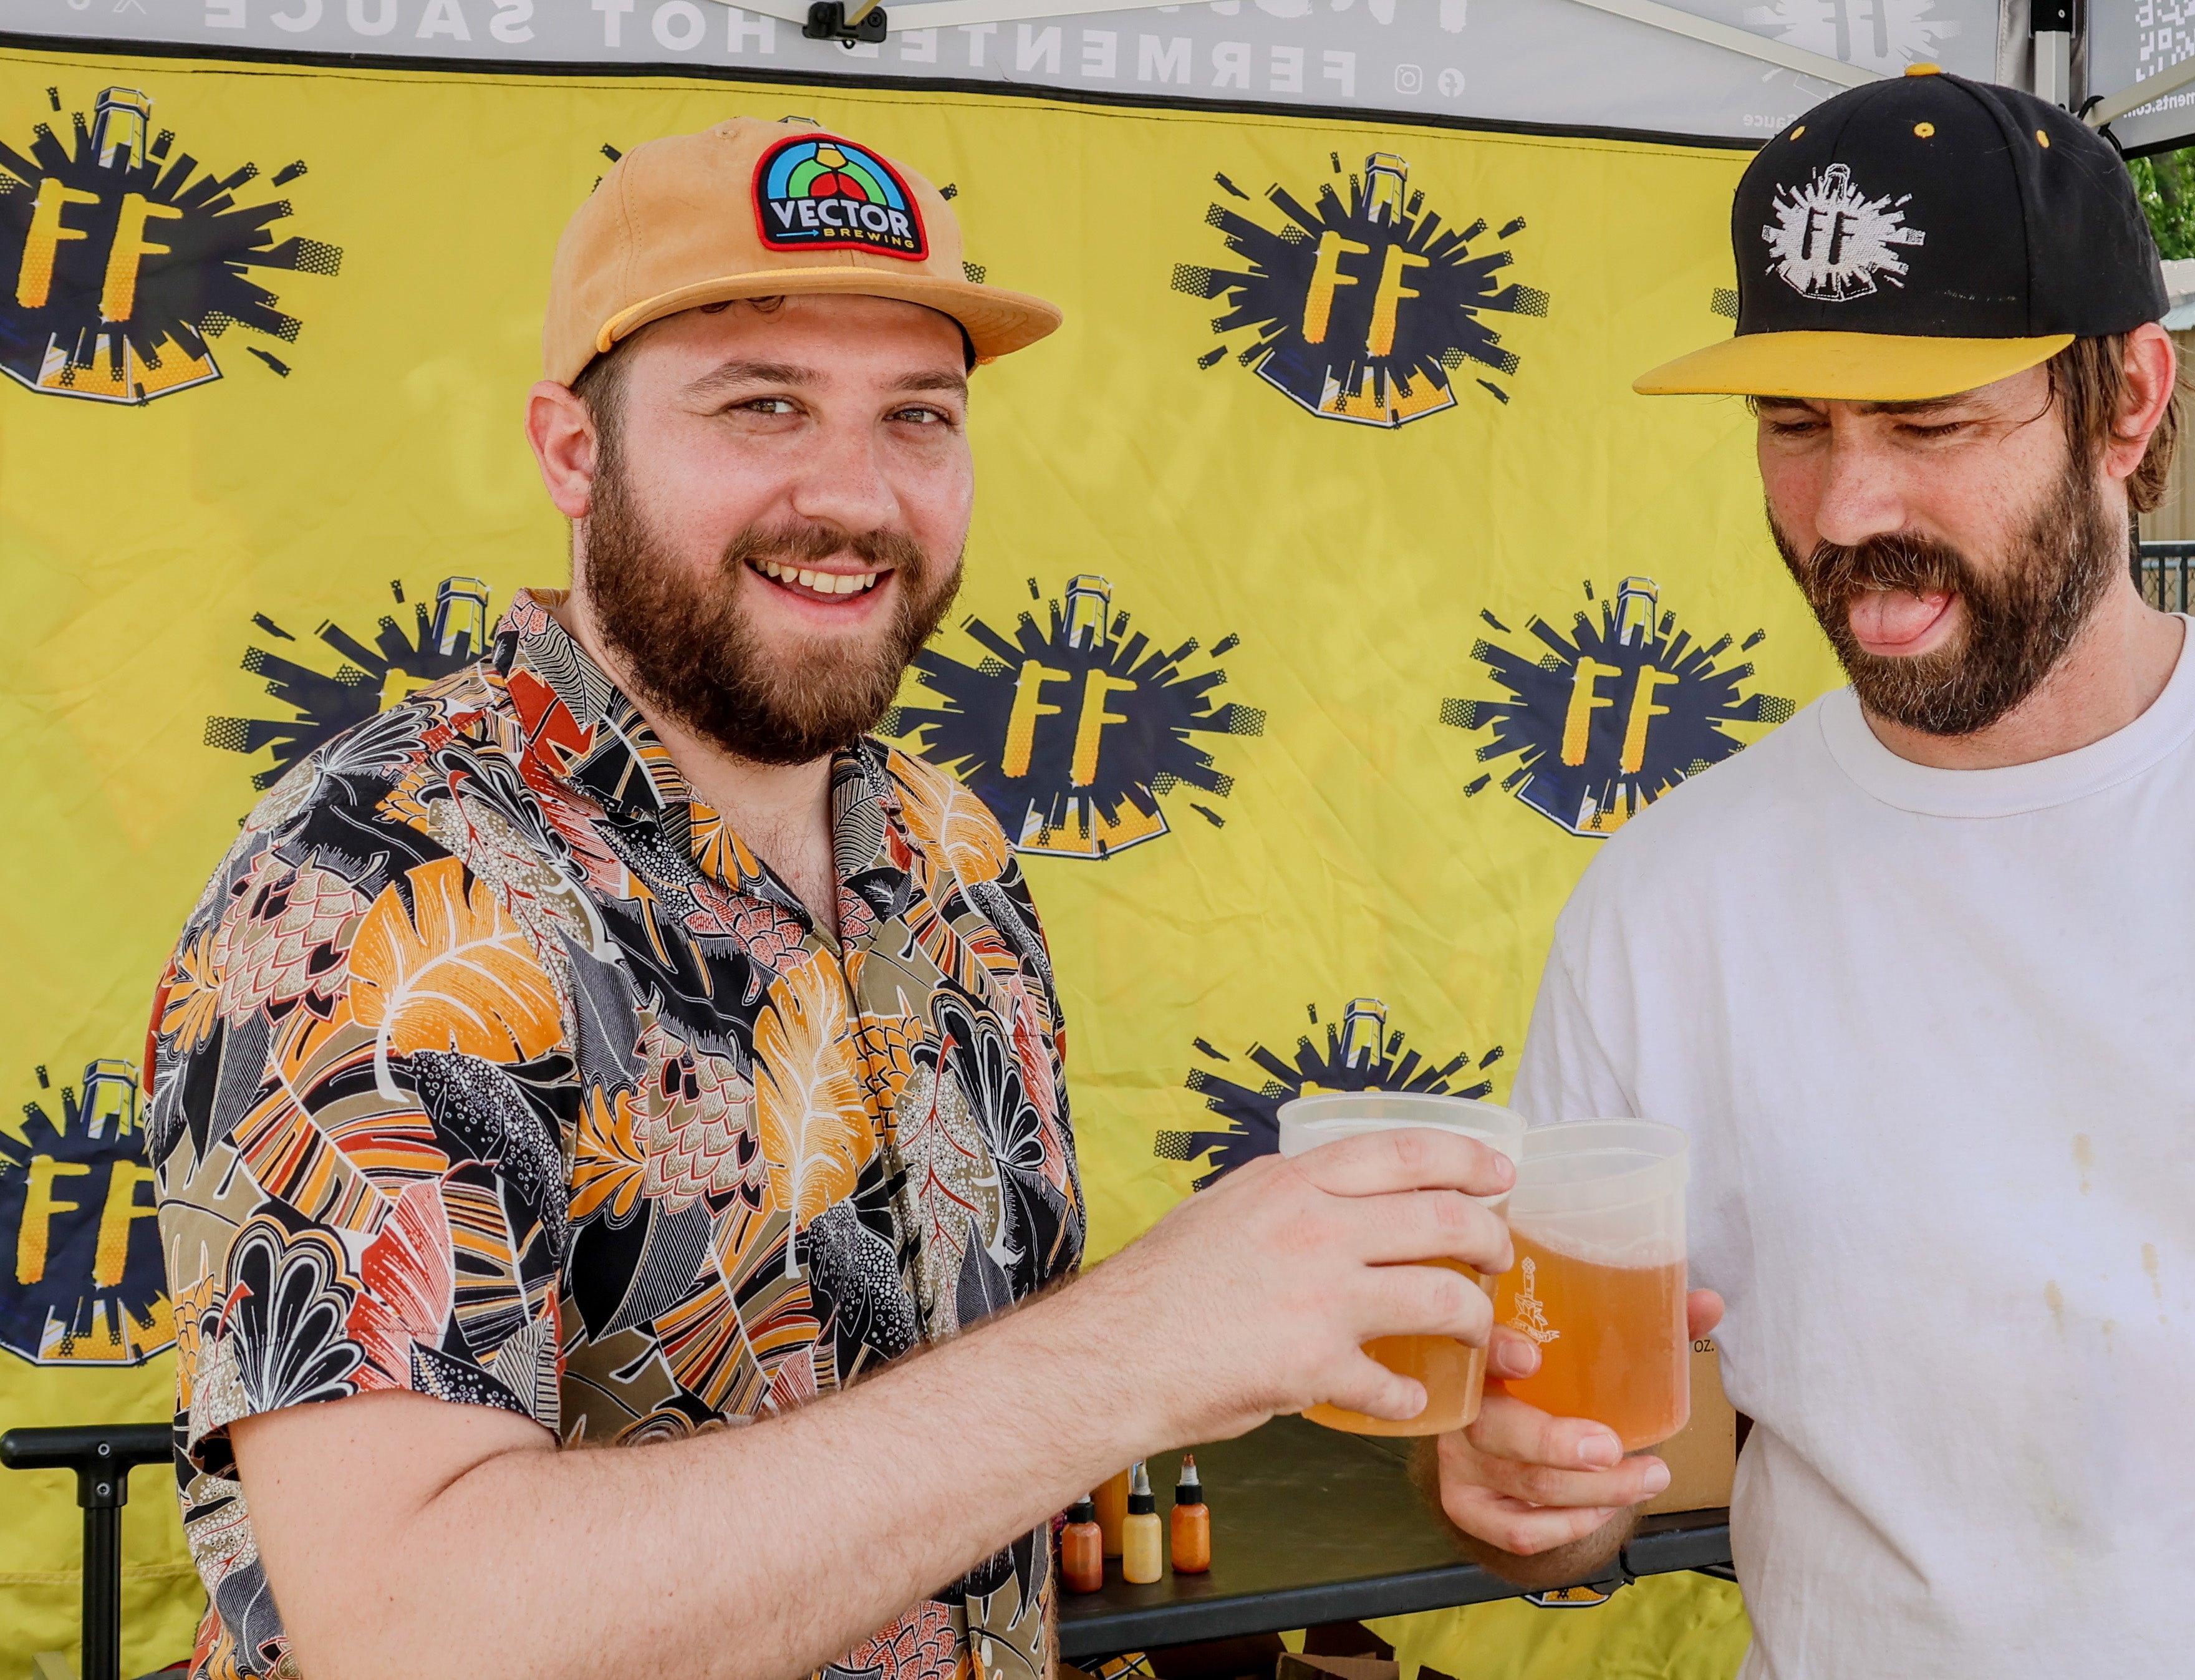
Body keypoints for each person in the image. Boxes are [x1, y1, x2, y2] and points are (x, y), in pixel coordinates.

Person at [146, 118, 1514, 1680]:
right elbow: (412, 1634)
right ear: (571, 451)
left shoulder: (951, 853)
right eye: (764, 405)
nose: (854, 496)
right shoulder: (374, 889)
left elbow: (973, 1452)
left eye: (917, 417)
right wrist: (1141, 1342)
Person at [1429, 67, 2195, 1675]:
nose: (1846, 509)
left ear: (2128, 401)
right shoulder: (1670, 904)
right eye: (1793, 426)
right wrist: (1526, 1483)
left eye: (1932, 425)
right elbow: (1584, 1466)